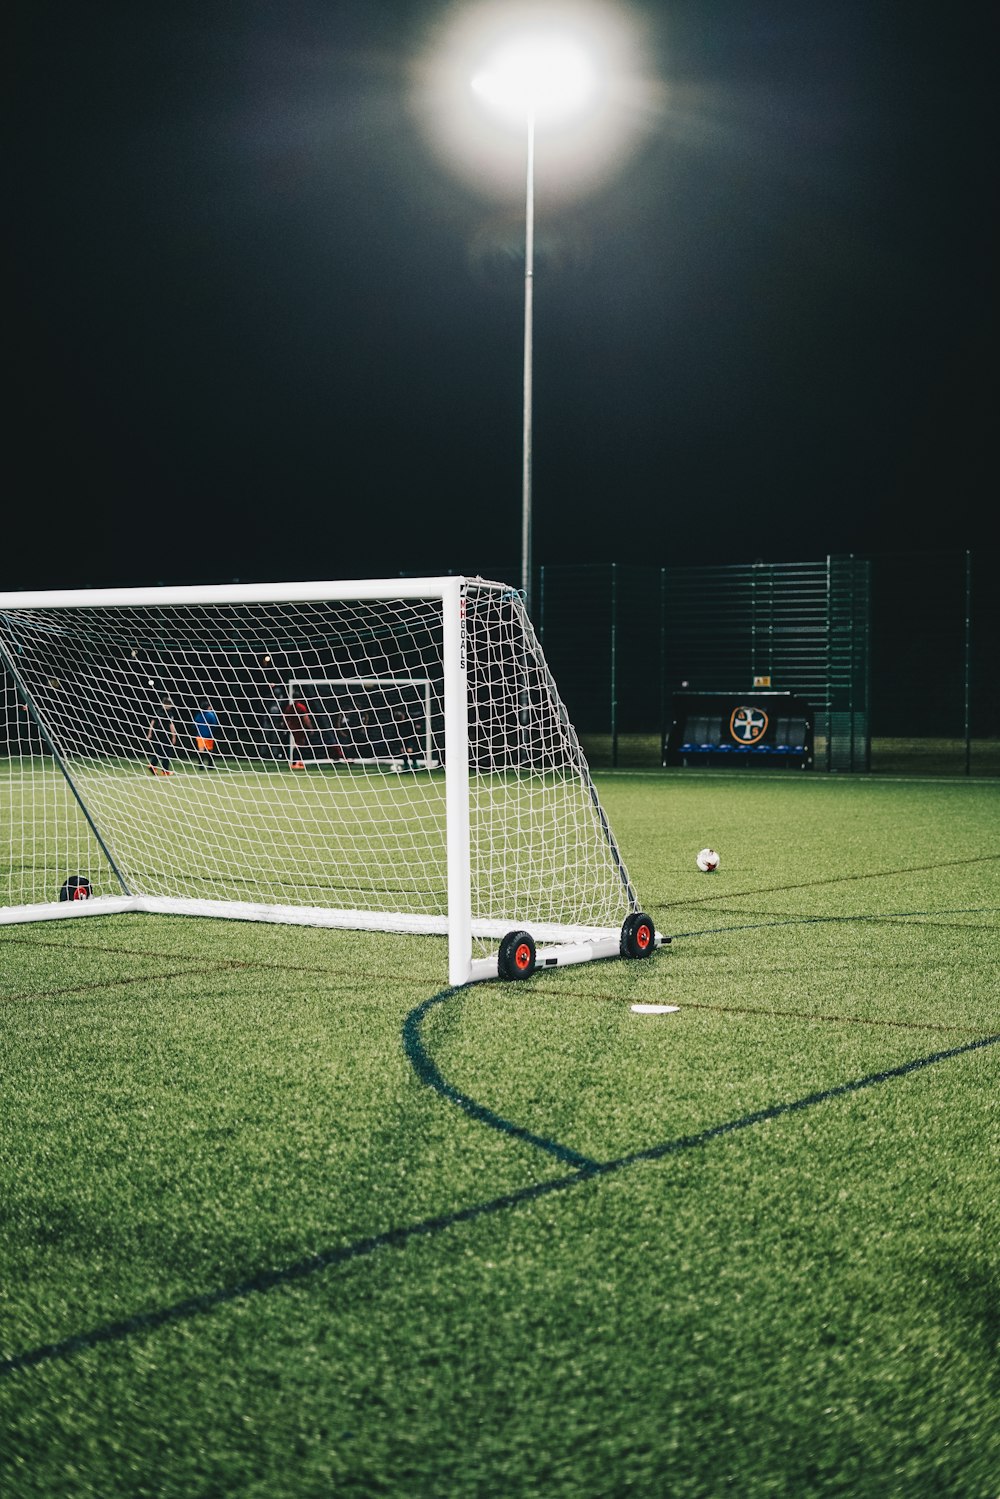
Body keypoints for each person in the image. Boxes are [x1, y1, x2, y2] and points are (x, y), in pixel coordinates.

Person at [147, 698, 177, 775]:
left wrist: (150, 733)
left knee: (159, 751)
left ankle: (152, 766)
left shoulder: (158, 711)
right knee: (166, 753)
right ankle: (165, 770)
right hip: (165, 734)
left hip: (156, 733)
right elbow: (171, 725)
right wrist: (174, 736)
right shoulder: (169, 713)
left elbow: (152, 722)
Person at [192, 703, 219, 768]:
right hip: (209, 735)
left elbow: (194, 724)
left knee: (201, 749)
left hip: (200, 735)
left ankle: (201, 765)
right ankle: (210, 765)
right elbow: (214, 724)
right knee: (209, 749)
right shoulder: (211, 715)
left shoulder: (199, 715)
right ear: (208, 707)